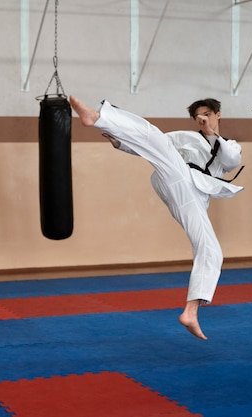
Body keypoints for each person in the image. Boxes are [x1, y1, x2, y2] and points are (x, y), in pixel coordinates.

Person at [69, 96, 243, 340]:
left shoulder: (230, 145)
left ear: (218, 114)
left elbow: (231, 161)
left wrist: (211, 133)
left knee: (209, 246)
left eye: (207, 114)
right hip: (174, 178)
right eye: (198, 116)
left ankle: (191, 311)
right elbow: (153, 145)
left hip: (194, 194)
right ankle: (98, 118)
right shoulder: (186, 137)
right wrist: (120, 142)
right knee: (156, 138)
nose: (202, 118)